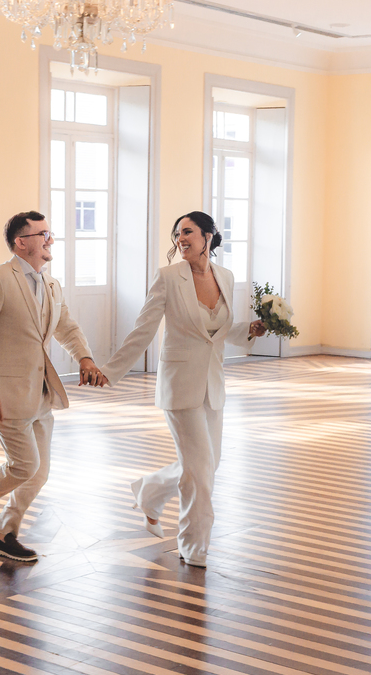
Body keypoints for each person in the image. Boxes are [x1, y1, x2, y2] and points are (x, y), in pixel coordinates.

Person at [99, 212, 266, 567]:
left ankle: (149, 491)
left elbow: (218, 331)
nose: (180, 238)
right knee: (199, 470)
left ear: (208, 236)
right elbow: (143, 330)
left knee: (207, 464)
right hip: (179, 385)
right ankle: (193, 545)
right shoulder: (167, 278)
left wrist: (249, 330)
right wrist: (110, 372)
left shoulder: (226, 276)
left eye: (188, 231)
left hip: (213, 385)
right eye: (177, 233)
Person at [0, 211, 107, 562]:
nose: (51, 240)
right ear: (22, 242)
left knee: (39, 473)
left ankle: (4, 534)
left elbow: (65, 325)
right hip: (5, 394)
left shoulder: (51, 283)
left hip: (41, 393)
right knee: (23, 466)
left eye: (50, 233)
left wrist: (85, 358)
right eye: (43, 234)